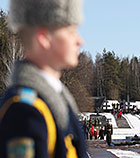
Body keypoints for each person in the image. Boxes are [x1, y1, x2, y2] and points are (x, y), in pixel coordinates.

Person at [0, 0, 88, 157]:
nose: (80, 41)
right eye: (71, 31)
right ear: (44, 38)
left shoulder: (56, 100)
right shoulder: (24, 111)